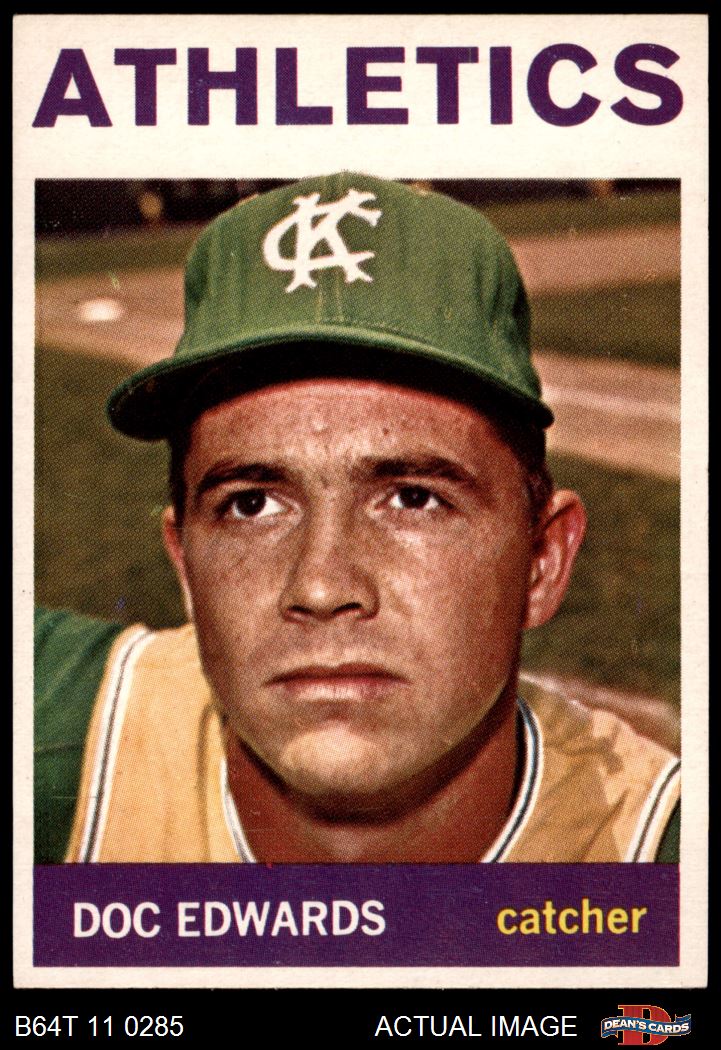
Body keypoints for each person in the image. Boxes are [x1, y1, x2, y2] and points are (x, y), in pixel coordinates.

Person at [35, 172, 680, 864]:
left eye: (413, 499)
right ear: (186, 566)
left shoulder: (665, 863)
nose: (320, 586)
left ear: (542, 563)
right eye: (251, 505)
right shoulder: (61, 733)